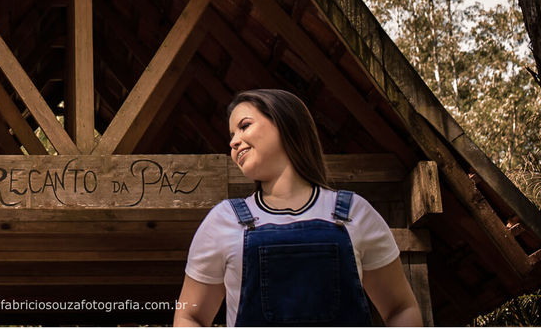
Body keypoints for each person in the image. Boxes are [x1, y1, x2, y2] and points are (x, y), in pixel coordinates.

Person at [174, 89, 422, 327]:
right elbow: (189, 317)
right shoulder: (223, 220)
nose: (233, 142)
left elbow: (401, 308)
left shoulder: (354, 212)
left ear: (285, 123)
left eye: (244, 126)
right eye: (231, 135)